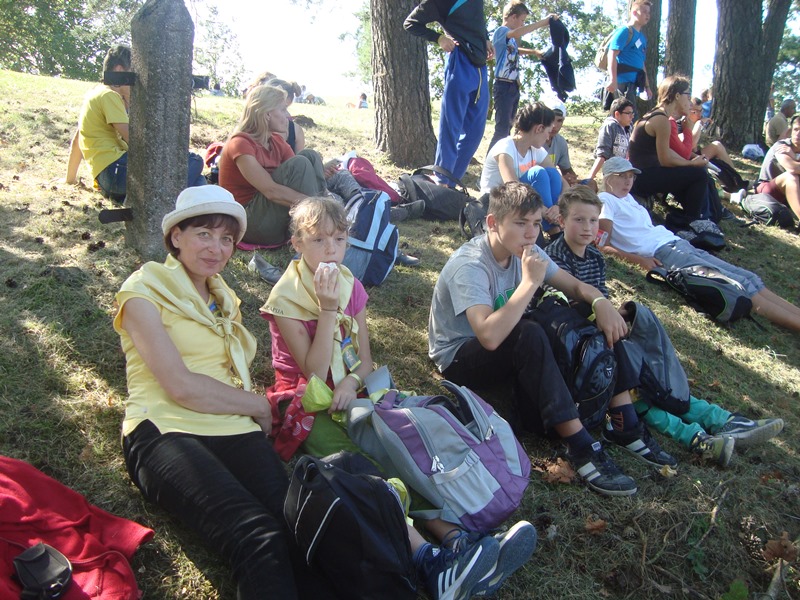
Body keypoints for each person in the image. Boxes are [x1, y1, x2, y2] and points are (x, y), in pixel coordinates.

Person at [260, 196, 535, 600]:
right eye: (318, 240)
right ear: (297, 243)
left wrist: (352, 383)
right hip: (306, 404)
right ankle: (433, 558)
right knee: (367, 465)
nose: (331, 250)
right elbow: (314, 372)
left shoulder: (350, 285)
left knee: (404, 449)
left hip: (352, 393)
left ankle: (458, 540)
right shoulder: (287, 297)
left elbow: (364, 361)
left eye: (339, 239)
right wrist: (328, 309)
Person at [113, 186, 333, 599]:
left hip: (232, 426)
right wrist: (258, 406)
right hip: (164, 428)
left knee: (299, 526)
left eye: (226, 238)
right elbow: (179, 385)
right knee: (257, 533)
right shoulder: (143, 288)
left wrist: (250, 410)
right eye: (204, 234)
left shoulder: (224, 298)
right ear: (176, 236)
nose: (216, 248)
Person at [429, 181, 678, 498]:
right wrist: (530, 283)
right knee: (529, 331)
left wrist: (600, 303)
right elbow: (489, 336)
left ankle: (624, 421)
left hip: (505, 341)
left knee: (584, 311)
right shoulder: (471, 265)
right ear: (493, 223)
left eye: (536, 224)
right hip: (459, 355)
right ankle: (579, 445)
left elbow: (575, 286)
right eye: (521, 223)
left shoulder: (527, 250)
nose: (531, 234)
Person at [546, 185, 785, 467]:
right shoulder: (553, 257)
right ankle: (695, 436)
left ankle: (720, 419)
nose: (587, 227)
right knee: (638, 387)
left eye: (593, 220)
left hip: (604, 335)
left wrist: (621, 315)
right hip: (581, 347)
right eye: (579, 219)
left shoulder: (595, 257)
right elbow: (563, 312)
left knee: (650, 371)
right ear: (562, 220)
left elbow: (602, 300)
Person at [597, 156, 800, 333]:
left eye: (631, 176)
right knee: (739, 286)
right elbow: (601, 244)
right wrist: (638, 260)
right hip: (663, 252)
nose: (628, 181)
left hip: (676, 244)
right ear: (608, 178)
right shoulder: (606, 200)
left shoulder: (628, 198)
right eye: (622, 176)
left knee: (750, 278)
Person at [64, 45, 206, 201]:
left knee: (197, 179)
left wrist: (70, 179)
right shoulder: (109, 95)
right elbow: (135, 141)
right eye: (135, 75)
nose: (136, 82)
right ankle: (166, 200)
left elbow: (78, 140)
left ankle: (191, 200)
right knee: (193, 160)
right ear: (120, 71)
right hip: (116, 170)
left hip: (107, 181)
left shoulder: (95, 94)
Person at [218, 84, 327, 246]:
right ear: (267, 114)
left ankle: (322, 221)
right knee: (301, 162)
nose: (288, 116)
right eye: (283, 110)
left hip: (270, 218)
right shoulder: (240, 143)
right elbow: (271, 191)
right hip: (249, 223)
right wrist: (316, 204)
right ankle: (320, 224)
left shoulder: (275, 141)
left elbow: (300, 176)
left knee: (309, 156)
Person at [404, 0, 493, 186]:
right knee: (451, 127)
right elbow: (410, 23)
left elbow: (477, 20)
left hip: (481, 67)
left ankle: (451, 183)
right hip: (460, 61)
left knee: (475, 133)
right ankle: (442, 180)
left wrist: (485, 38)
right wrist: (439, 38)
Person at [627, 75, 722, 240]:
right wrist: (691, 164)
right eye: (688, 95)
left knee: (692, 173)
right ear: (677, 95)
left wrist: (689, 162)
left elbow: (669, 153)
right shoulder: (661, 119)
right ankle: (690, 223)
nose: (690, 102)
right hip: (640, 178)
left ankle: (694, 219)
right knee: (698, 174)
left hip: (644, 174)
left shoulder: (658, 116)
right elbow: (665, 159)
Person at [480, 103, 565, 234]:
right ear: (539, 129)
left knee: (552, 173)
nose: (548, 137)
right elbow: (513, 189)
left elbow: (563, 183)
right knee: (538, 173)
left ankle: (553, 228)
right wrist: (545, 211)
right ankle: (554, 230)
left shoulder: (536, 150)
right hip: (497, 201)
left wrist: (557, 207)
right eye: (548, 132)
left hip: (522, 201)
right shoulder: (505, 148)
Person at [487, 2, 556, 150]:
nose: (522, 24)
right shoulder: (501, 31)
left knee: (509, 127)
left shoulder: (510, 39)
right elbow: (517, 33)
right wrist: (543, 22)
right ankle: (492, 160)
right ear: (513, 17)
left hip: (513, 86)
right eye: (522, 20)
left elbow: (516, 50)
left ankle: (505, 157)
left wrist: (534, 52)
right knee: (502, 129)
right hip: (503, 85)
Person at [604, 0, 652, 118]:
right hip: (621, 83)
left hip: (633, 85)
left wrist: (647, 86)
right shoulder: (624, 31)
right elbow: (612, 54)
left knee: (628, 119)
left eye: (649, 13)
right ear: (634, 13)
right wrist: (613, 80)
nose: (647, 15)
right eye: (644, 12)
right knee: (623, 118)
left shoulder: (642, 38)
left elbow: (641, 63)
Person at [756, 113, 800, 225]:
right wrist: (795, 159)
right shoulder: (782, 146)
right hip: (767, 191)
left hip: (789, 195)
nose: (798, 134)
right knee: (791, 177)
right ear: (790, 131)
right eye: (796, 129)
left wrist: (795, 157)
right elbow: (793, 168)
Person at [587, 97, 634, 182]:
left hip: (624, 172)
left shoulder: (628, 128)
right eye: (628, 113)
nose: (632, 116)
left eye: (632, 113)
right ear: (617, 114)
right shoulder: (610, 126)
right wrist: (589, 178)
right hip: (612, 174)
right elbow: (602, 154)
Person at [542, 100, 584, 187]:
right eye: (551, 119)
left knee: (591, 184)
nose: (554, 125)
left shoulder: (560, 142)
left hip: (555, 183)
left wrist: (571, 178)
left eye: (559, 120)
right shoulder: (534, 140)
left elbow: (566, 170)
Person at [265, 78, 306, 153]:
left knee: (309, 154)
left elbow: (299, 160)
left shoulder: (295, 131)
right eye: (281, 109)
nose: (287, 115)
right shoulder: (253, 133)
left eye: (285, 109)